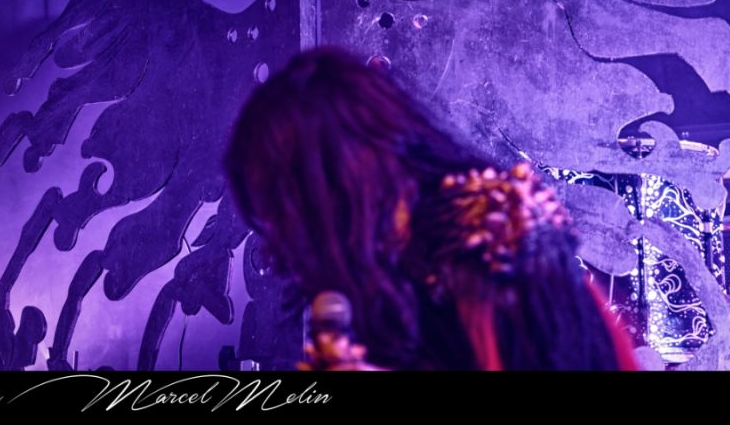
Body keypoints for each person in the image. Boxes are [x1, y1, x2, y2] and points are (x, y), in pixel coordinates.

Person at [224, 47, 639, 370]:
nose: (277, 250)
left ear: (340, 182)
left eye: (286, 211)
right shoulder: (384, 272)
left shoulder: (493, 244)